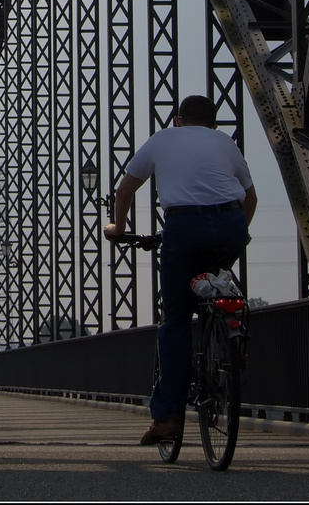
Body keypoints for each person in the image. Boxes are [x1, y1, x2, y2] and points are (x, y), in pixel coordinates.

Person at [103, 94, 256, 448]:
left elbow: (125, 189)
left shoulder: (163, 138)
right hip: (231, 223)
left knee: (175, 319)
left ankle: (168, 417)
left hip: (184, 228)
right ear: (213, 123)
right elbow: (251, 198)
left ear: (178, 119)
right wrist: (236, 232)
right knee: (216, 279)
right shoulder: (224, 142)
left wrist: (119, 228)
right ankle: (233, 331)